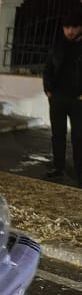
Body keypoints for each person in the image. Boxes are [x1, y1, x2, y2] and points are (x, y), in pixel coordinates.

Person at [42, 9, 82, 186]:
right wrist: (48, 91)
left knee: (79, 137)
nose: (70, 31)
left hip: (78, 101)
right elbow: (48, 68)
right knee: (58, 135)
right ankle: (58, 167)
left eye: (74, 27)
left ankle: (80, 172)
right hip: (57, 98)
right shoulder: (58, 45)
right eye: (66, 27)